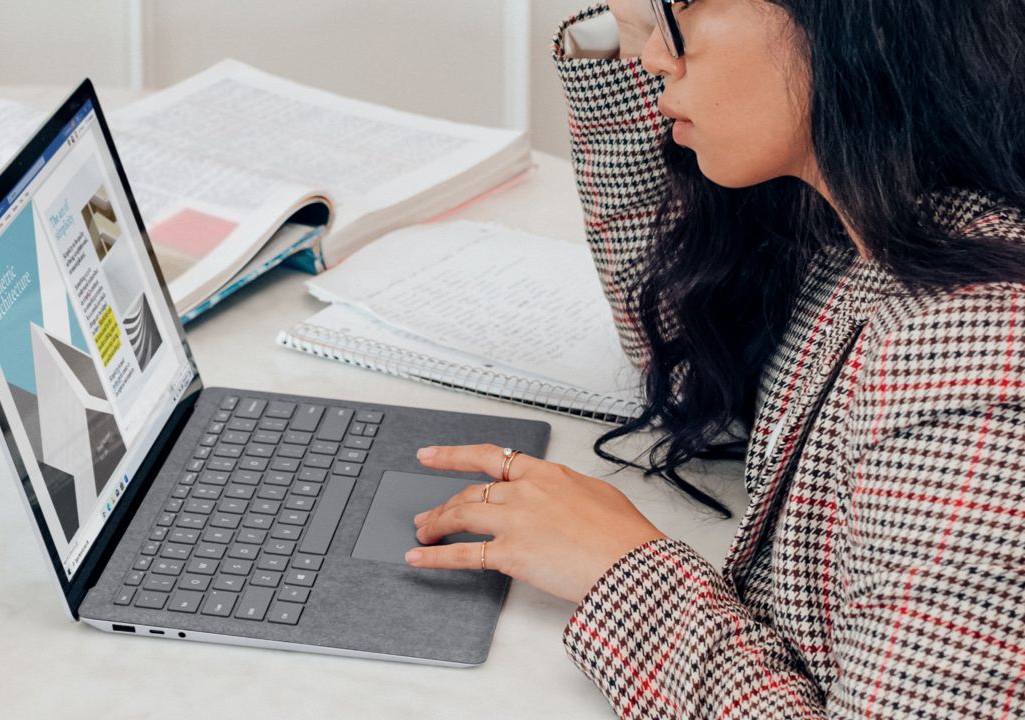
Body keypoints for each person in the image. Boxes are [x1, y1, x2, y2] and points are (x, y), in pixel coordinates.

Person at [404, 1, 1025, 717]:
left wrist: (622, 571)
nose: (653, 59)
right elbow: (689, 358)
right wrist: (624, 31)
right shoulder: (878, 228)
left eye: (685, 7)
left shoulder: (977, 347)